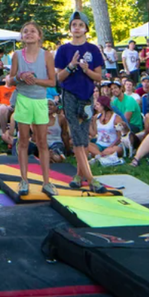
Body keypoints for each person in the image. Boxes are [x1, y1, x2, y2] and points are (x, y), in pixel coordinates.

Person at [55, 11, 104, 190]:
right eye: (74, 25)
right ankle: (91, 179)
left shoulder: (93, 50)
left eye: (80, 25)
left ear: (86, 28)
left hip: (87, 96)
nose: (77, 28)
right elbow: (59, 77)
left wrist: (85, 69)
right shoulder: (63, 50)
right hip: (69, 95)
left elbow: (98, 77)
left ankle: (78, 175)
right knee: (75, 134)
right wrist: (71, 66)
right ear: (70, 28)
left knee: (83, 135)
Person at [8, 21, 57, 195]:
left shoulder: (47, 55)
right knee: (23, 141)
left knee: (42, 142)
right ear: (22, 36)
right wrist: (21, 76)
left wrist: (34, 80)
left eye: (32, 31)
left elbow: (52, 81)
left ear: (39, 36)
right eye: (25, 31)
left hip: (40, 101)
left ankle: (46, 182)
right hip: (23, 99)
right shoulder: (16, 56)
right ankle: (24, 180)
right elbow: (10, 80)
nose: (28, 34)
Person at [87, 97, 126, 164]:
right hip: (99, 145)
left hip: (113, 145)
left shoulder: (116, 118)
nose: (95, 107)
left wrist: (110, 147)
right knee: (85, 144)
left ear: (103, 105)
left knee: (116, 150)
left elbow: (119, 137)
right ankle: (102, 156)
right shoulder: (97, 117)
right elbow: (94, 134)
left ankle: (97, 156)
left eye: (98, 104)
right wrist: (89, 122)